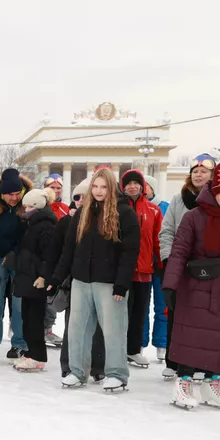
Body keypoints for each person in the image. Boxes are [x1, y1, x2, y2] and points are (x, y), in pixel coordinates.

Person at [164, 161, 220, 410]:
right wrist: (170, 285)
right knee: (192, 336)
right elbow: (179, 252)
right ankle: (184, 382)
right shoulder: (194, 217)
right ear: (215, 191)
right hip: (196, 283)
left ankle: (212, 383)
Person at [52, 167, 139, 391]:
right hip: (82, 280)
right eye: (95, 187)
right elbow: (69, 248)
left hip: (109, 282)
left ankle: (117, 373)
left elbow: (129, 252)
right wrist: (57, 277)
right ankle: (77, 371)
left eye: (104, 187)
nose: (99, 191)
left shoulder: (125, 213)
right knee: (77, 328)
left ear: (112, 188)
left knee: (112, 329)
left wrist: (122, 283)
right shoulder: (83, 212)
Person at [158, 154, 214, 380]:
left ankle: (200, 363)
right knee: (177, 314)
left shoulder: (217, 200)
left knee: (203, 317)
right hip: (180, 265)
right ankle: (173, 361)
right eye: (195, 171)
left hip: (207, 267)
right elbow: (167, 231)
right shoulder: (178, 199)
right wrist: (169, 260)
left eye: (204, 171)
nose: (199, 175)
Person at [55, 181, 105, 380]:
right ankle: (68, 365)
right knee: (73, 324)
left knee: (98, 325)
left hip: (100, 277)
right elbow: (61, 251)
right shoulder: (67, 222)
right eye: (77, 197)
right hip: (75, 279)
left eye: (85, 196)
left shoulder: (103, 218)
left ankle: (98, 367)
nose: (81, 200)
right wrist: (56, 277)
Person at [0, 168, 31, 359]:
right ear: (2, 193)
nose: (14, 198)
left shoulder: (29, 204)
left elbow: (29, 234)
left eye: (18, 193)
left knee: (19, 304)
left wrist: (15, 253)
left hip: (20, 260)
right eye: (10, 194)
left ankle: (19, 343)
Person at [119, 169, 162, 369]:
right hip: (120, 269)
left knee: (139, 311)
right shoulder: (116, 207)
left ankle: (133, 349)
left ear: (143, 186)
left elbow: (158, 239)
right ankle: (116, 350)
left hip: (144, 269)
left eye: (136, 183)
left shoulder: (154, 210)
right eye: (128, 183)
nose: (132, 187)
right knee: (119, 311)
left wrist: (161, 264)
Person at [11, 188, 57, 371]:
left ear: (38, 207)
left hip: (36, 278)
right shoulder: (30, 223)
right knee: (27, 317)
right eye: (25, 207)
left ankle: (38, 355)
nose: (26, 210)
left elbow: (49, 254)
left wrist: (44, 276)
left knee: (35, 319)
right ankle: (31, 352)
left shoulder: (46, 226)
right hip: (27, 277)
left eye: (30, 207)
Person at [141, 175, 168, 364]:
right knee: (141, 307)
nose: (143, 189)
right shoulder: (136, 206)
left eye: (146, 186)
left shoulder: (164, 207)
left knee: (162, 306)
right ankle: (139, 343)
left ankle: (162, 344)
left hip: (161, 265)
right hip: (144, 264)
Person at [41, 174, 69, 347]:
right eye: (52, 187)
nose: (56, 190)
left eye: (59, 188)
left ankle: (48, 328)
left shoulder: (65, 208)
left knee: (55, 295)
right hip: (42, 258)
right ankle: (41, 328)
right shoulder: (40, 206)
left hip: (60, 259)